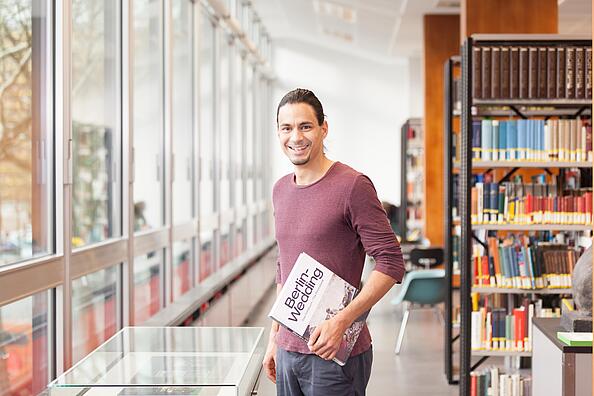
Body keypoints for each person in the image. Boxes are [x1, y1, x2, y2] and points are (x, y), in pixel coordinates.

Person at [262, 88, 405, 395]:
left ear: (323, 128)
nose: (296, 137)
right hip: (289, 352)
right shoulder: (280, 190)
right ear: (278, 133)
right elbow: (283, 266)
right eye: (287, 128)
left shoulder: (352, 186)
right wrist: (275, 338)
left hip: (335, 355)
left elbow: (392, 261)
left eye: (305, 126)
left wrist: (342, 321)